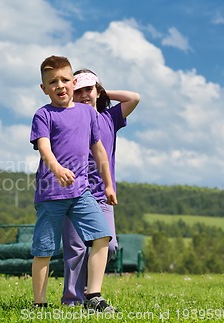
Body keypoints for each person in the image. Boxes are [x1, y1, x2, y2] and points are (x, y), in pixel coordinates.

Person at [30, 55, 117, 312]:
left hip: (82, 192)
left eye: (65, 80)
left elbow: (99, 150)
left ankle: (94, 296)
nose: (60, 85)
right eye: (53, 82)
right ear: (44, 89)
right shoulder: (43, 115)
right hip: (51, 194)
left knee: (102, 236)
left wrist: (109, 185)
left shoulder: (88, 114)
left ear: (73, 81)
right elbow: (43, 147)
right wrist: (56, 168)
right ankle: (40, 303)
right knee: (44, 250)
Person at [62, 69, 141, 306]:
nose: (84, 95)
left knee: (109, 244)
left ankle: (90, 292)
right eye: (79, 91)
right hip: (74, 194)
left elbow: (134, 97)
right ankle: (72, 301)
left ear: (98, 91)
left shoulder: (110, 118)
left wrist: (104, 90)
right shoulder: (69, 119)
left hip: (102, 196)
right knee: (75, 249)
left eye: (89, 89)